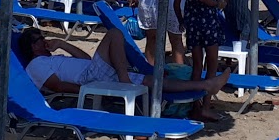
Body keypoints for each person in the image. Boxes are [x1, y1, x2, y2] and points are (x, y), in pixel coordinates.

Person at [14, 27, 230, 98]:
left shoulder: (52, 58)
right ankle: (124, 77)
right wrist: (87, 91)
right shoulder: (36, 66)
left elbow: (86, 60)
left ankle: (206, 85)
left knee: (152, 80)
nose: (44, 40)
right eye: (39, 39)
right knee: (114, 34)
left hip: (95, 72)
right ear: (32, 47)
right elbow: (57, 86)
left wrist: (62, 44)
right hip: (91, 79)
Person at [173, 0, 228, 121]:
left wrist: (182, 21)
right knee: (211, 65)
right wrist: (218, 3)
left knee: (197, 66)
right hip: (207, 21)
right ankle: (205, 106)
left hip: (192, 21)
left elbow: (176, 3)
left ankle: (195, 105)